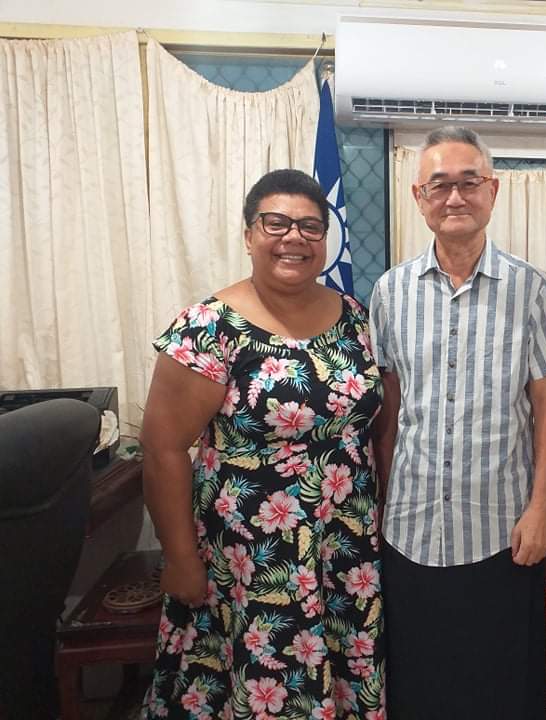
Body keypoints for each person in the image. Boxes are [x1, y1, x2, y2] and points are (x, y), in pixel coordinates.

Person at [139, 169, 385, 720]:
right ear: (249, 234)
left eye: (310, 226)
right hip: (252, 555)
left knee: (341, 676)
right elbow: (160, 450)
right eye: (275, 223)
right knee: (267, 686)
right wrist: (179, 557)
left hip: (345, 548)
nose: (293, 237)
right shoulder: (209, 327)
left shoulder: (356, 320)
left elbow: (375, 421)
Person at [369, 126, 546, 720]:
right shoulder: (390, 293)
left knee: (502, 681)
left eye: (469, 183)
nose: (455, 197)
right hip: (410, 525)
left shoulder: (531, 288)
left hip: (502, 526)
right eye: (440, 185)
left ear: (492, 191)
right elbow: (389, 405)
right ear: (419, 197)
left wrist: (541, 508)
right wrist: (384, 495)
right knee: (419, 677)